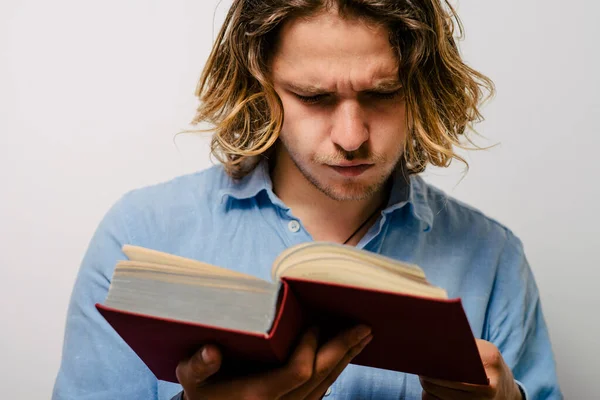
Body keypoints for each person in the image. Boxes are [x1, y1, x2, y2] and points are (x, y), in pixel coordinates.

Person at [52, 0, 563, 399]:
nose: (351, 136)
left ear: (421, 87)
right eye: (314, 98)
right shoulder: (141, 236)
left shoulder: (493, 259)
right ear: (259, 84)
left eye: (382, 93)